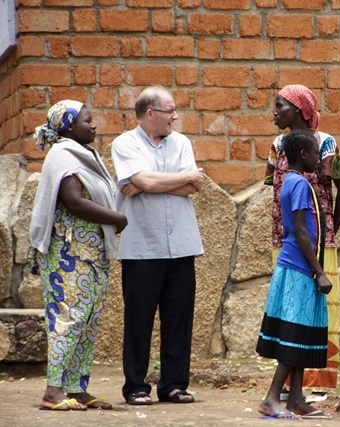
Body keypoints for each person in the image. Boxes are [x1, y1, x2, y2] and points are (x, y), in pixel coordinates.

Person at [30, 100, 128, 411]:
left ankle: (76, 386)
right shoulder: (63, 156)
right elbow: (73, 201)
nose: (94, 125)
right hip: (69, 256)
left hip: (92, 255)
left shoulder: (83, 154)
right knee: (68, 321)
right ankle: (53, 390)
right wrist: (117, 218)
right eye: (88, 120)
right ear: (69, 126)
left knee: (87, 323)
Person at [111, 86, 204, 405]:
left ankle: (174, 385)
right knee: (139, 320)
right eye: (170, 111)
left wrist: (148, 183)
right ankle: (136, 386)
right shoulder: (124, 143)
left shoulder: (181, 142)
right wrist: (176, 179)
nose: (175, 117)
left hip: (181, 243)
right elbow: (158, 181)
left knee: (179, 319)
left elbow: (194, 185)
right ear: (150, 114)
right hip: (141, 247)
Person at [264, 84, 340, 391]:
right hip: (288, 238)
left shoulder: (326, 143)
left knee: (317, 308)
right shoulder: (277, 144)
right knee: (289, 309)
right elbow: (270, 183)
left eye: (281, 106)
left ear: (300, 110)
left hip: (316, 241)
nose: (275, 112)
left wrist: (331, 229)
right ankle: (290, 385)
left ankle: (316, 383)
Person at [256, 129, 333, 420]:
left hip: (298, 266)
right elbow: (300, 230)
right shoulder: (299, 184)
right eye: (315, 152)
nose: (317, 157)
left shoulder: (292, 181)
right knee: (292, 336)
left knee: (300, 335)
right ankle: (272, 397)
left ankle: (297, 399)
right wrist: (319, 272)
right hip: (299, 268)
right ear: (303, 155)